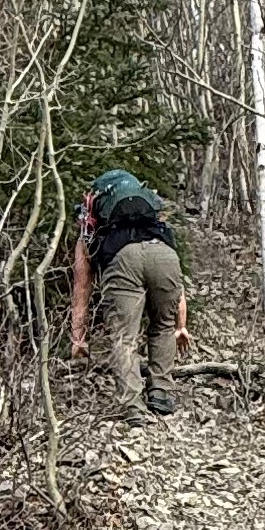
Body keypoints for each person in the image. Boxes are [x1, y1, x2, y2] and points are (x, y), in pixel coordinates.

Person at [69, 169, 190, 418]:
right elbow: (178, 291)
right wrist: (181, 325)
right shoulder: (155, 223)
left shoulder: (89, 229)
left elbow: (82, 288)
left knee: (125, 336)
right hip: (165, 256)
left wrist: (78, 337)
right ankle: (160, 395)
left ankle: (132, 407)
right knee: (163, 326)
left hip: (123, 260)